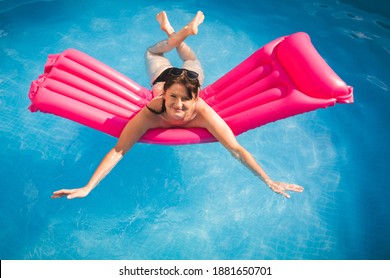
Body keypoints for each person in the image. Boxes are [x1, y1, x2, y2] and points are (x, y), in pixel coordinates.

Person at [51, 11, 303, 200]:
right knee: (161, 55)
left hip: (187, 77)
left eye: (185, 99)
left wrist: (268, 180)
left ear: (196, 97)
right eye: (173, 98)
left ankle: (173, 31)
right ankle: (174, 31)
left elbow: (236, 150)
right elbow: (119, 150)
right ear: (164, 95)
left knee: (174, 57)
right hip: (165, 75)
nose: (178, 105)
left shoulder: (202, 110)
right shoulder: (151, 111)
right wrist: (88, 187)